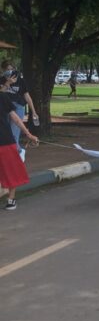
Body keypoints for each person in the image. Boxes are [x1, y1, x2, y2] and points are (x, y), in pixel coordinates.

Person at [0, 74, 39, 210]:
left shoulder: (3, 96)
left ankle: (11, 200)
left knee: (10, 170)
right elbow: (16, 119)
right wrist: (28, 134)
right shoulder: (3, 97)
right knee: (12, 170)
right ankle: (11, 200)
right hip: (5, 140)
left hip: (5, 140)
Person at [1, 60, 39, 155]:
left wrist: (33, 111)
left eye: (11, 69)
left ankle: (16, 151)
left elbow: (27, 96)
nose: (9, 71)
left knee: (14, 132)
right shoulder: (2, 80)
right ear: (3, 70)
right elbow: (1, 94)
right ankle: (14, 151)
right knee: (6, 131)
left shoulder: (20, 81)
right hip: (5, 107)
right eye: (7, 69)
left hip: (17, 106)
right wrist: (8, 83)